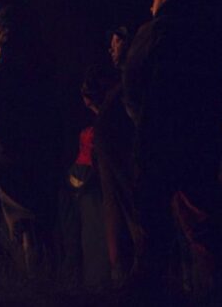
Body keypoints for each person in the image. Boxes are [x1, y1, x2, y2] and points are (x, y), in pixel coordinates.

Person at [122, 0, 222, 294]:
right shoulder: (205, 35)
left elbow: (132, 85)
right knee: (204, 222)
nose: (150, 2)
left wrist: (145, 122)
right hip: (199, 144)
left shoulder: (152, 33)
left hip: (157, 143)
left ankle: (153, 295)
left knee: (153, 227)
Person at [0, 0, 61, 276]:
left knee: (25, 205)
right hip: (7, 130)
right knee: (21, 206)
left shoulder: (11, 18)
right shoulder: (5, 19)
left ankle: (39, 282)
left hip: (14, 132)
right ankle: (36, 277)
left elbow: (7, 68)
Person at [92, 25, 140, 284]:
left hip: (126, 173)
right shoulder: (119, 85)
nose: (111, 49)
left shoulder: (134, 83)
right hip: (113, 178)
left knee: (131, 227)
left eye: (117, 43)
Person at [57, 66, 112, 287]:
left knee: (94, 234)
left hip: (93, 184)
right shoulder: (85, 121)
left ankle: (98, 283)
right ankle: (75, 282)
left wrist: (88, 180)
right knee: (74, 234)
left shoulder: (108, 122)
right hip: (76, 180)